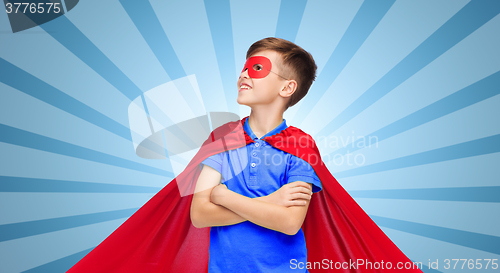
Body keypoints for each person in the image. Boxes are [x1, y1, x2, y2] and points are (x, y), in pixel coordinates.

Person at [190, 37, 321, 272]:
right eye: (244, 67)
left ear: (287, 87)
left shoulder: (301, 144)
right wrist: (272, 201)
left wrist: (223, 197)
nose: (244, 74)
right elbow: (199, 214)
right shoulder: (222, 139)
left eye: (257, 68)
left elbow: (290, 222)